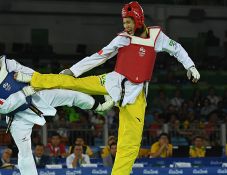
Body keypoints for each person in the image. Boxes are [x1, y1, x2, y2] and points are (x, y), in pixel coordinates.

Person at [17, 1, 200, 174]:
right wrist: (73, 70)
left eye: (128, 22)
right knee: (72, 82)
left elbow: (177, 48)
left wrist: (190, 66)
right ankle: (31, 80)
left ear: (138, 20)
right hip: (112, 82)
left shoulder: (156, 36)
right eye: (124, 22)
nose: (126, 26)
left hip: (135, 96)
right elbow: (99, 56)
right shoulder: (122, 38)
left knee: (130, 145)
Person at [0, 43, 113, 175]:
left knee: (70, 95)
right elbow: (4, 106)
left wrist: (34, 80)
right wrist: (26, 91)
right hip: (17, 117)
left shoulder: (8, 63)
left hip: (36, 96)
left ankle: (99, 106)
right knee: (25, 152)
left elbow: (33, 75)